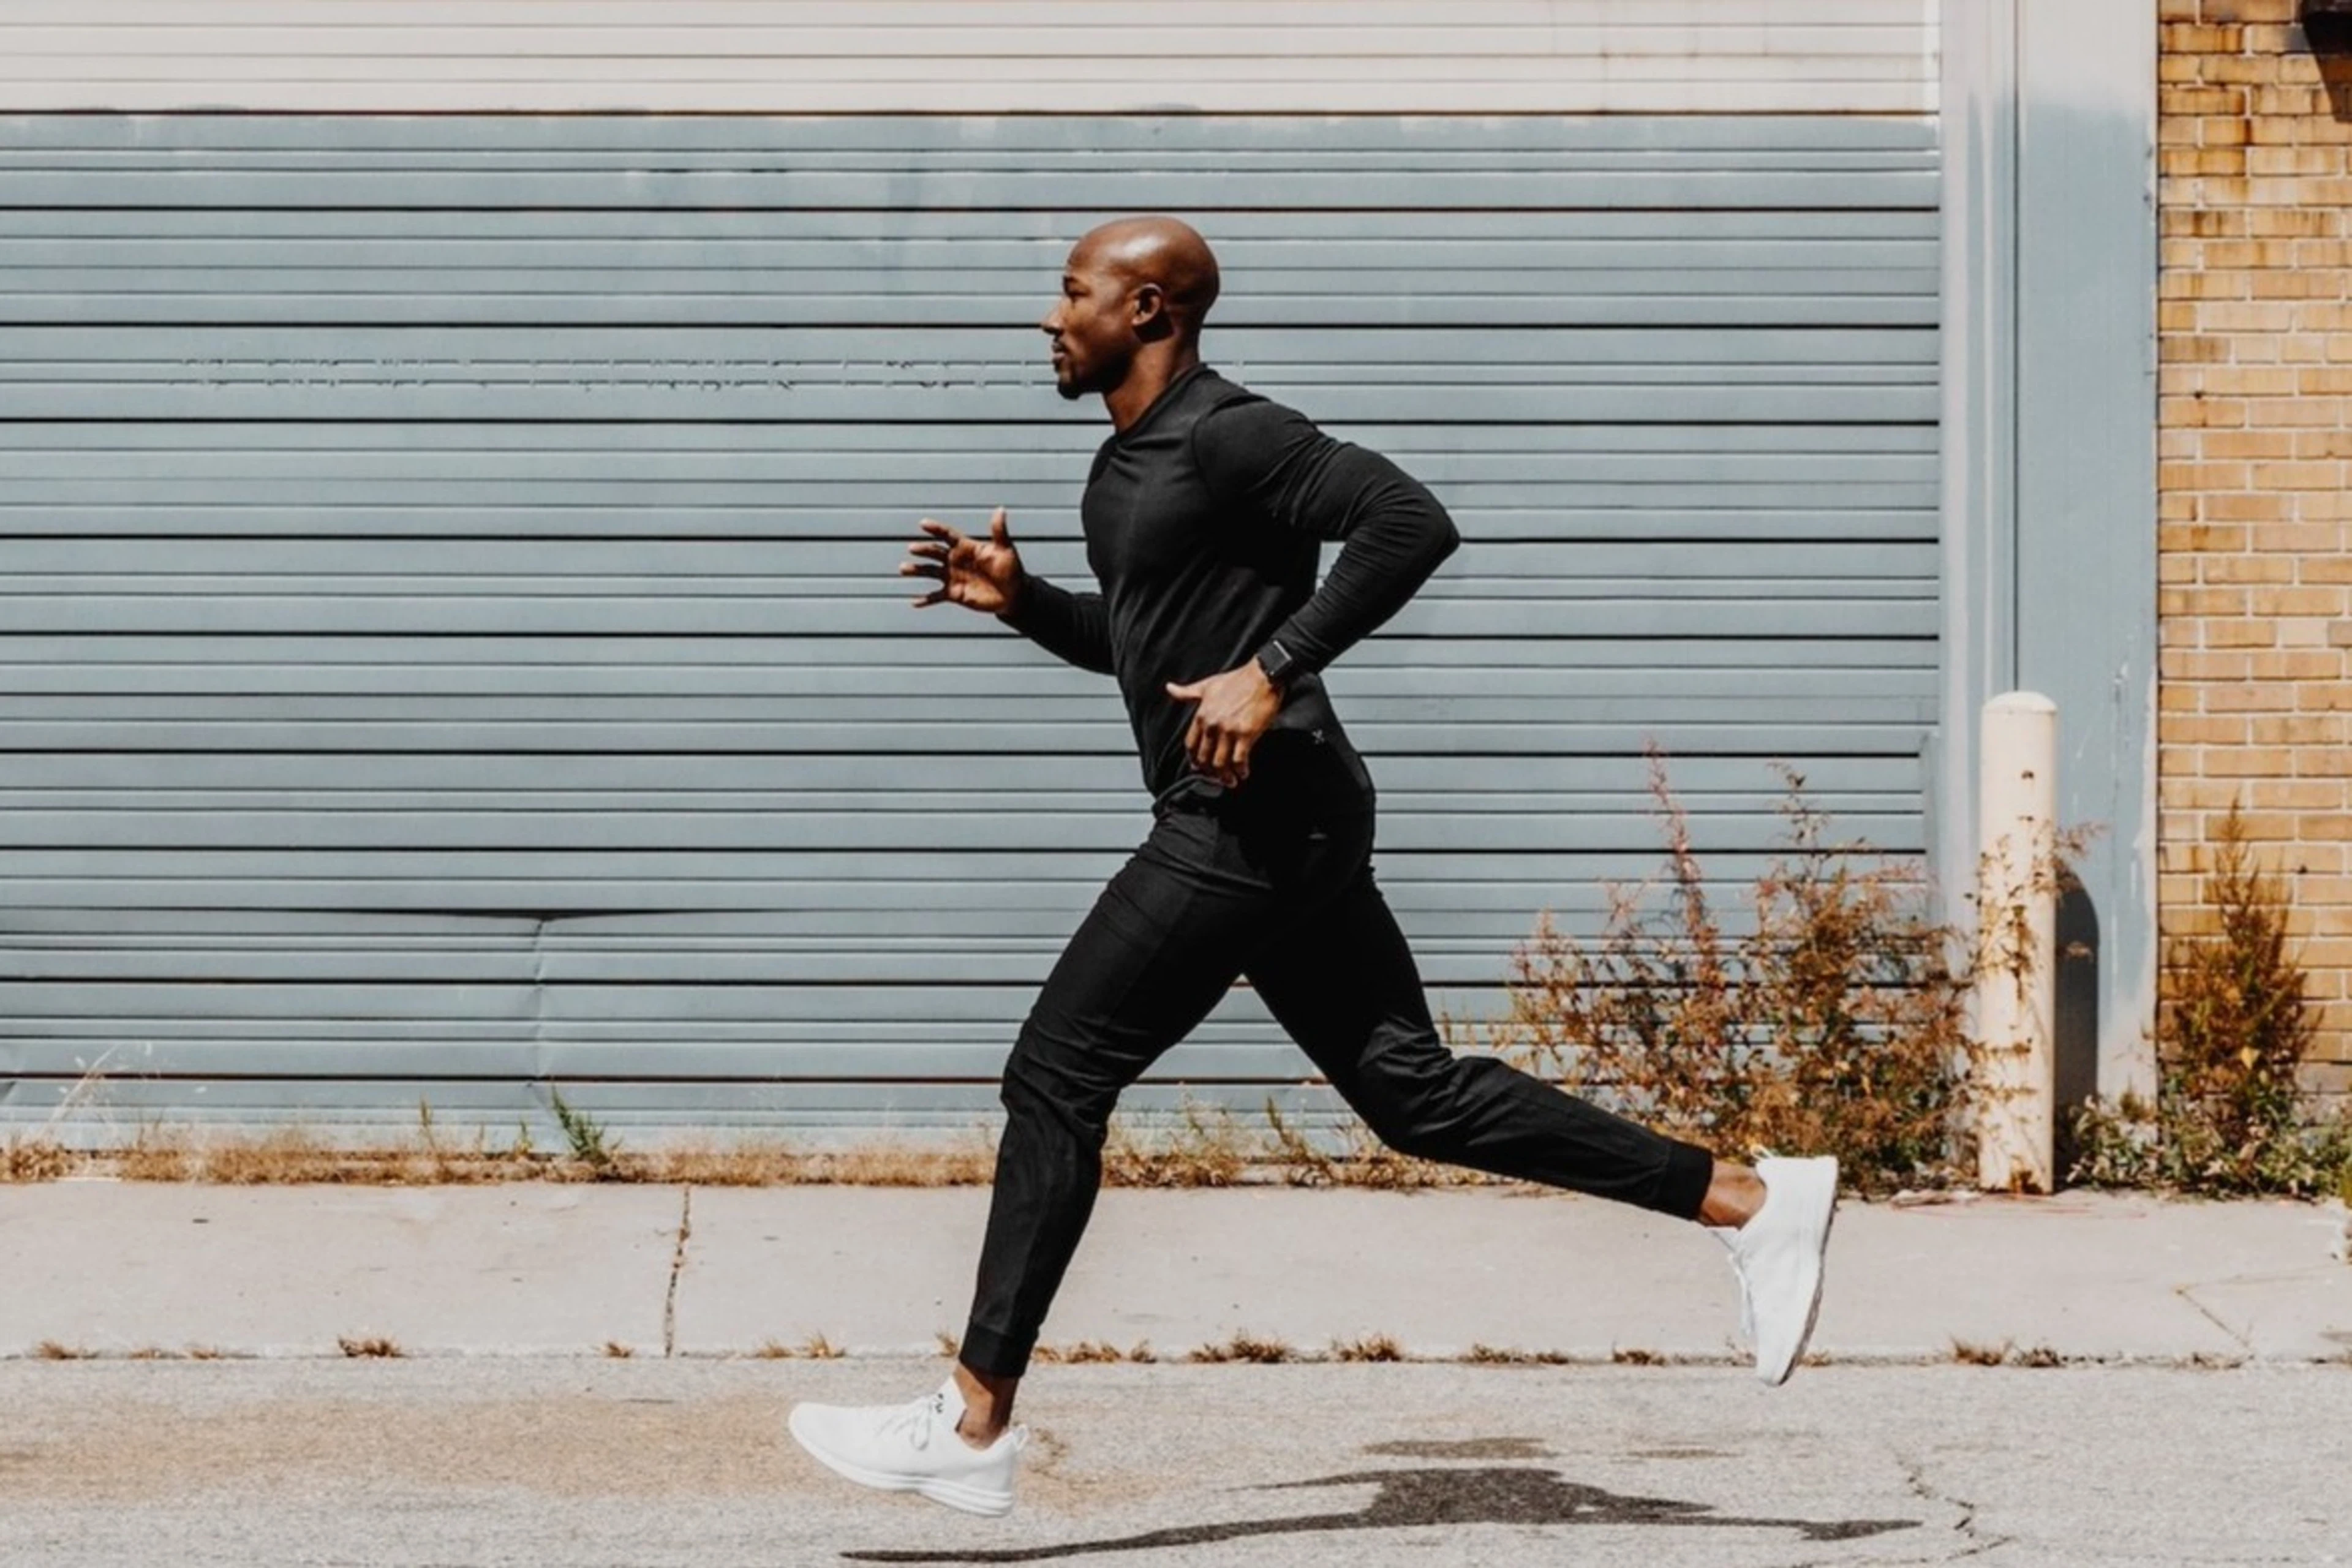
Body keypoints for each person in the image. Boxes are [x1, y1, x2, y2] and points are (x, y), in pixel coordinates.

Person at [786, 217, 1837, 1518]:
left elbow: (1408, 520)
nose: (1049, 318)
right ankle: (1747, 1197)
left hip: (1254, 820)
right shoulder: (1123, 468)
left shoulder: (1232, 431)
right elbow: (1154, 639)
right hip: (1289, 817)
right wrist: (1031, 602)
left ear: (1150, 307)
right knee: (1415, 1094)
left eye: (1073, 294)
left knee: (1056, 1072)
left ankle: (974, 1415)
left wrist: (1275, 671)